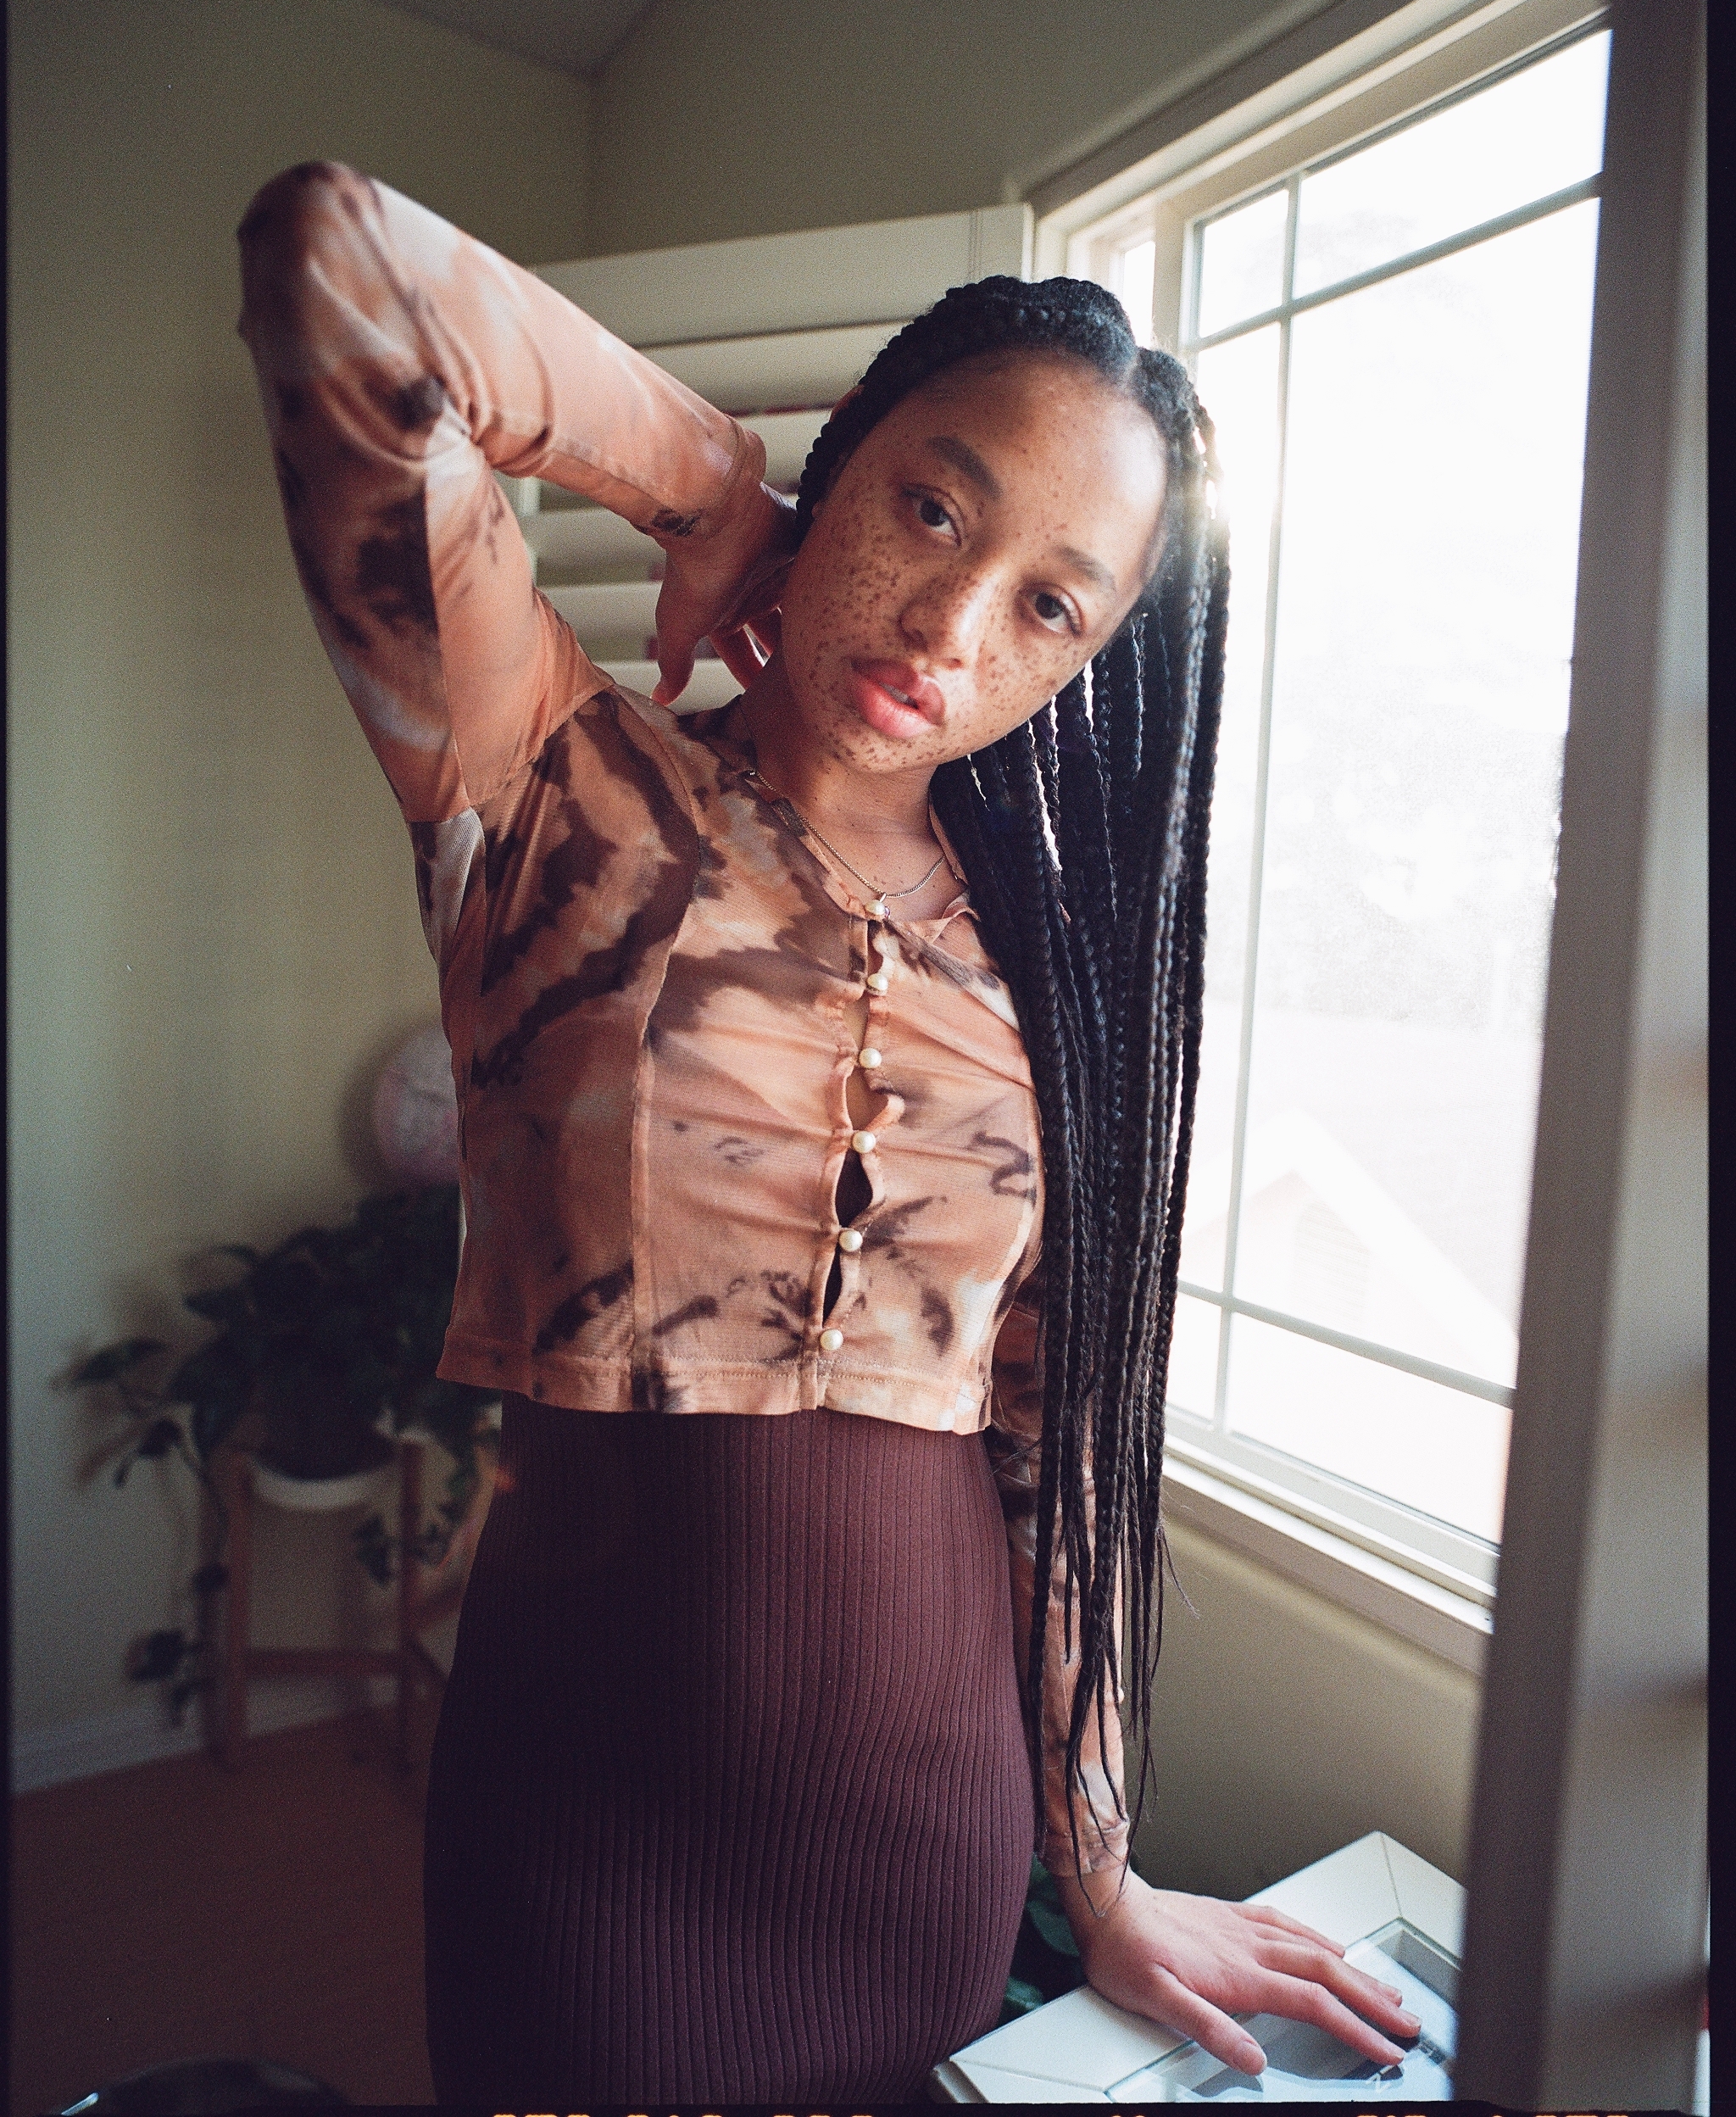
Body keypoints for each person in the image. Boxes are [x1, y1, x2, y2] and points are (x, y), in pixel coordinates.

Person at [236, 161, 1422, 2104]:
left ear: (1083, 662)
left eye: (1048, 603)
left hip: (924, 1831)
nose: (951, 618)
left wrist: (1099, 1870)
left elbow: (1051, 1442)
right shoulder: (544, 787)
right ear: (841, 469)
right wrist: (711, 490)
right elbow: (339, 267)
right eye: (930, 505)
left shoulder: (1051, 982)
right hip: (580, 1813)